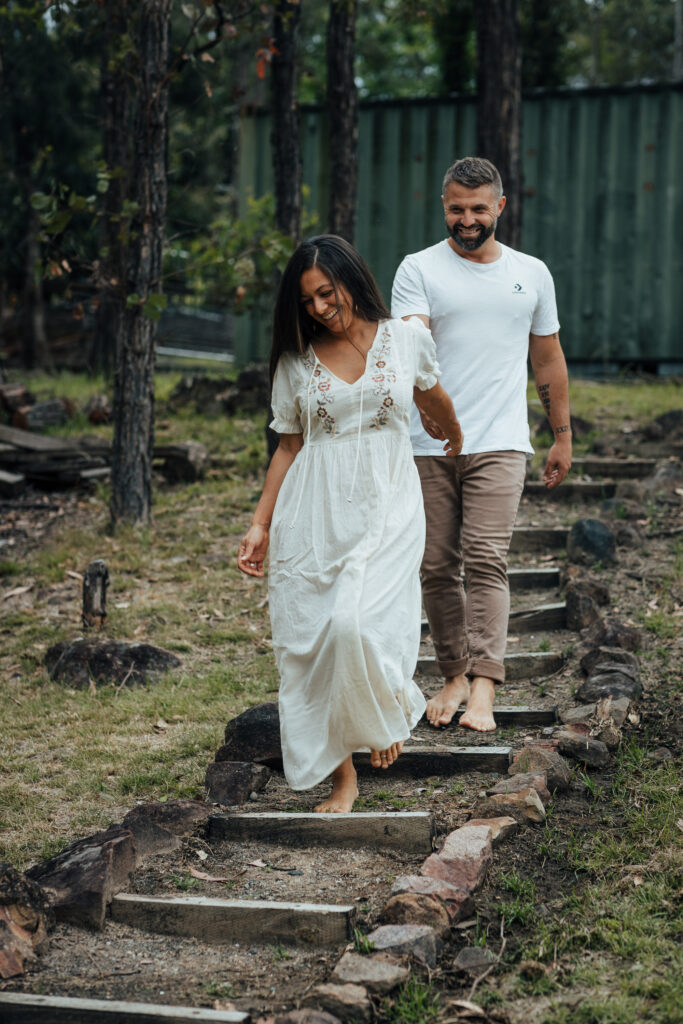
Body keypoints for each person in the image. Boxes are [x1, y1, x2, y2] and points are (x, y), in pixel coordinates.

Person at [238, 234, 463, 813]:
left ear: (350, 278)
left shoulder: (405, 339)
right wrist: (260, 523)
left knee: (357, 622)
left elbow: (432, 396)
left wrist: (454, 436)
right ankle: (344, 777)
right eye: (307, 300)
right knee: (314, 636)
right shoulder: (296, 360)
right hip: (314, 507)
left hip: (388, 497)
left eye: (325, 291)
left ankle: (385, 711)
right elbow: (288, 446)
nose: (318, 307)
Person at [391, 156, 571, 733]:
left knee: (487, 560)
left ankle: (485, 686)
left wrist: (561, 435)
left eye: (477, 208)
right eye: (455, 209)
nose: (466, 220)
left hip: (500, 440)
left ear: (500, 206)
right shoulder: (418, 269)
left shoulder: (532, 273)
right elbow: (411, 343)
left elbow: (547, 356)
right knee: (437, 565)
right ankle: (452, 675)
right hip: (428, 443)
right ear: (444, 206)